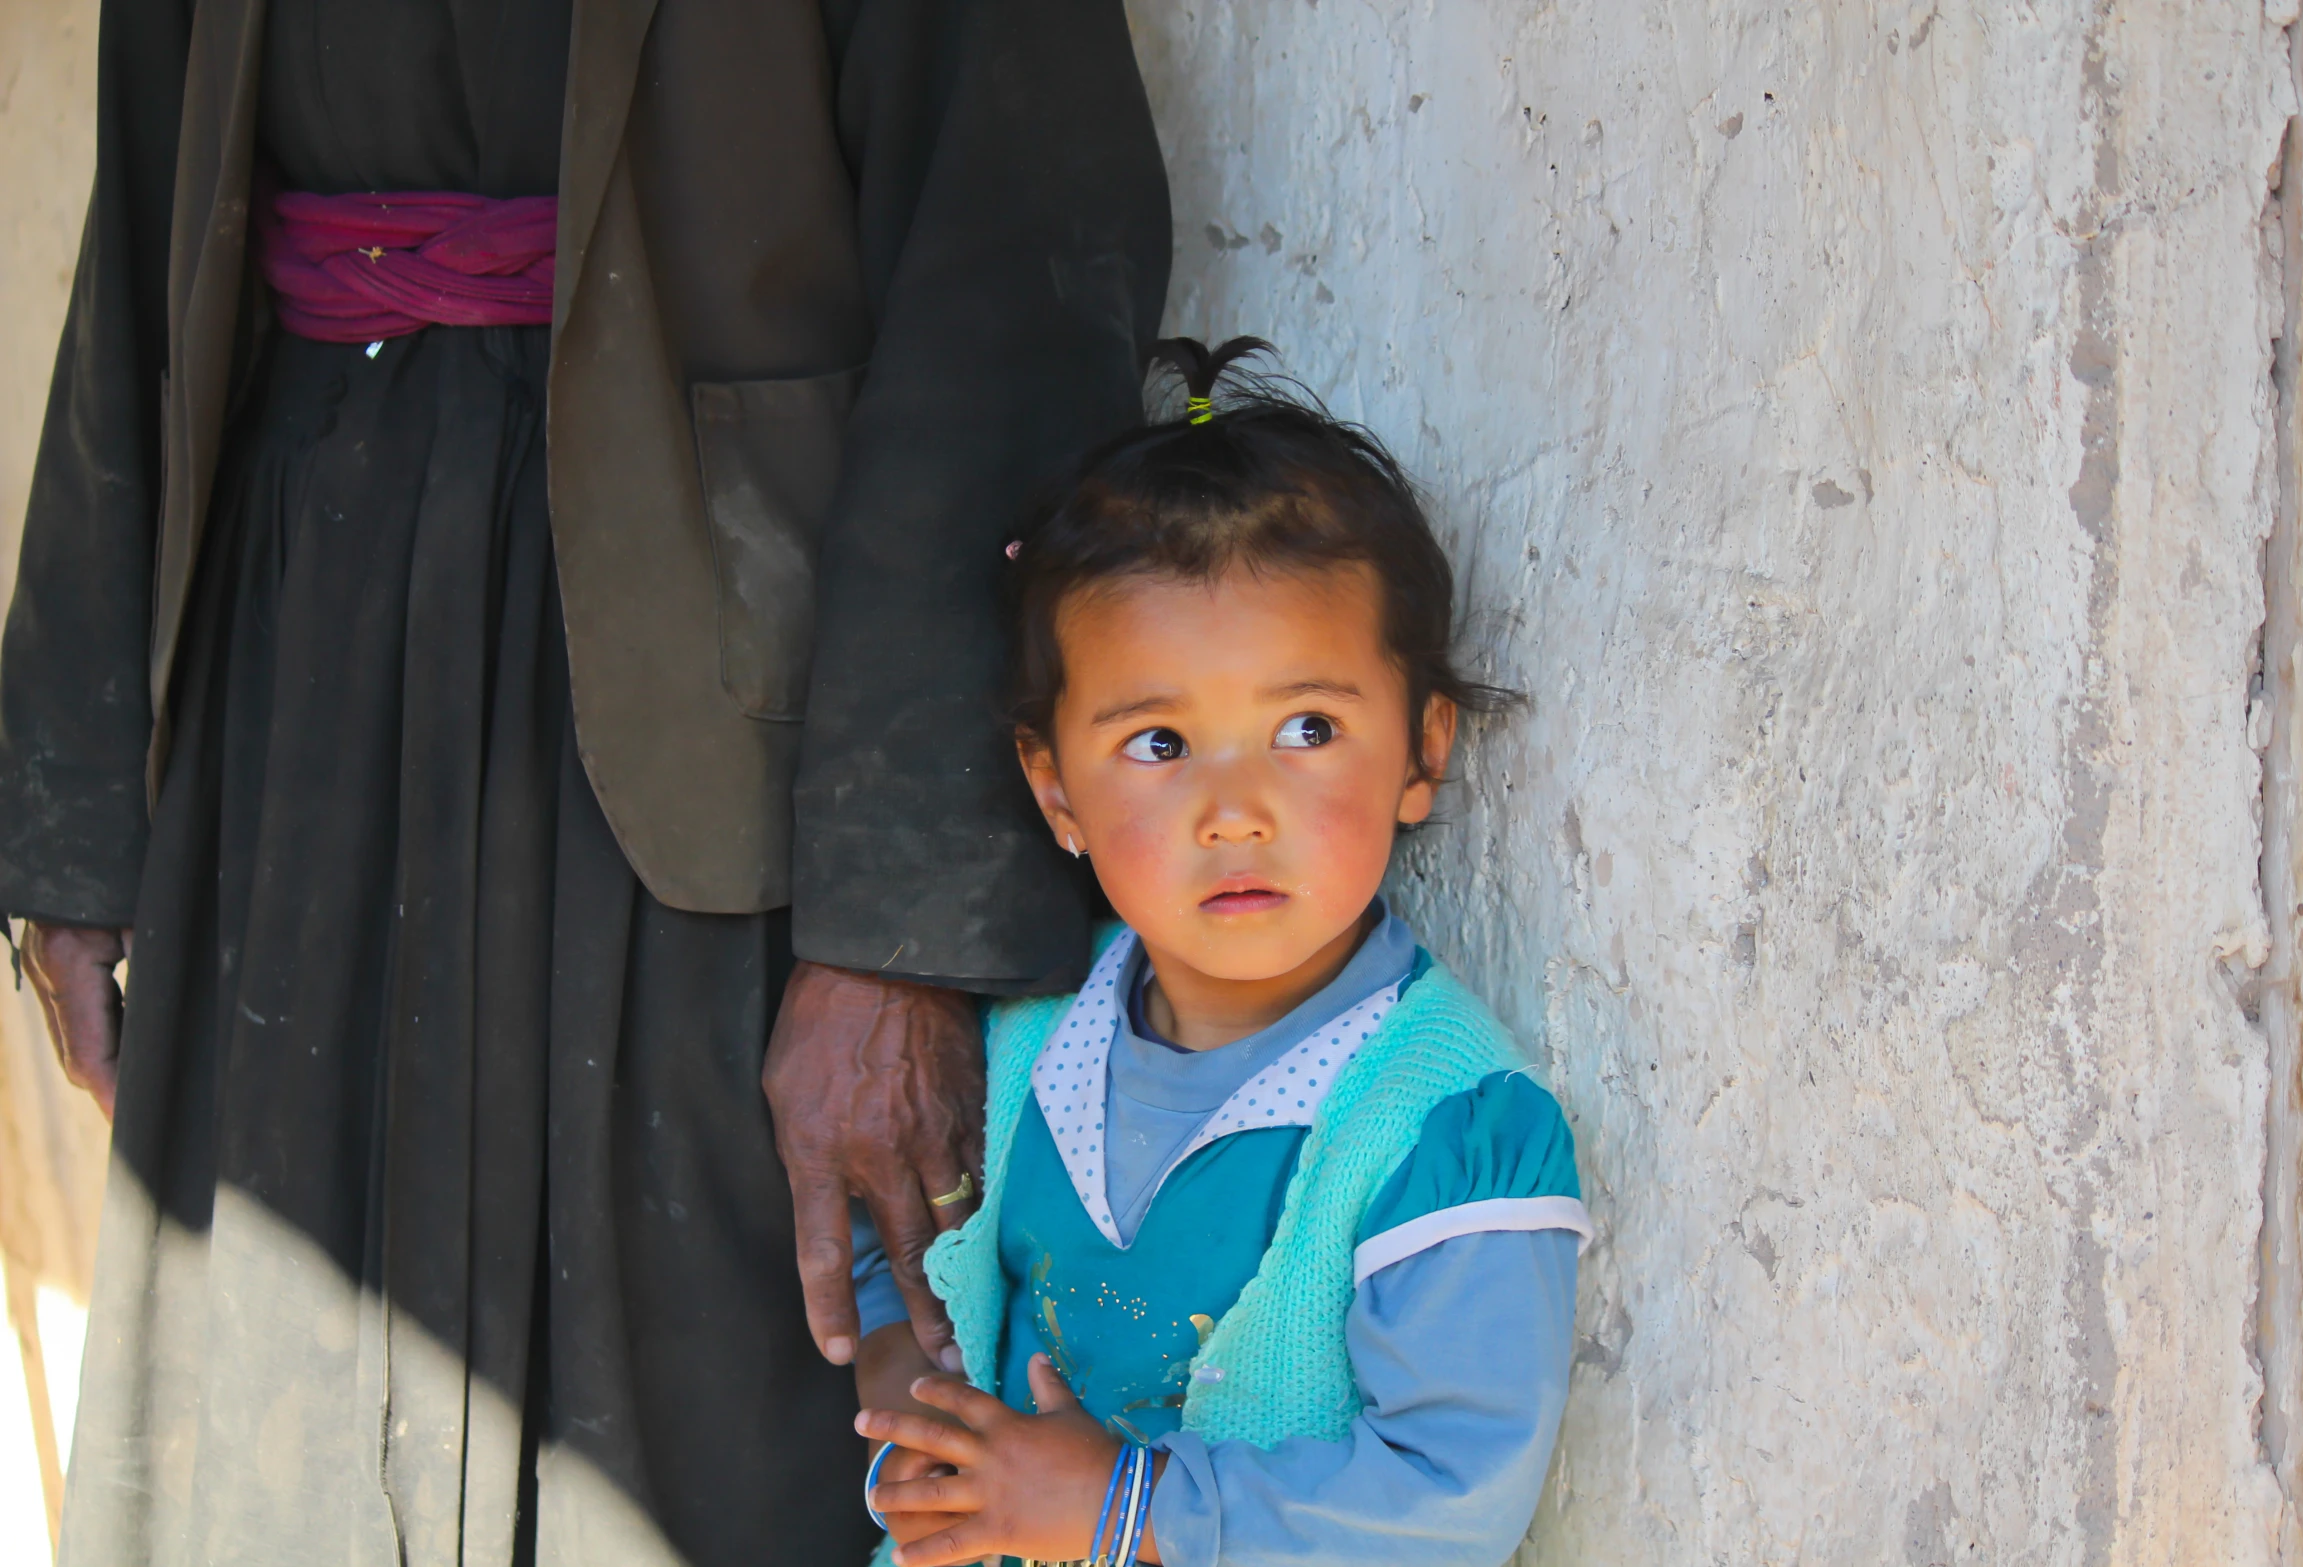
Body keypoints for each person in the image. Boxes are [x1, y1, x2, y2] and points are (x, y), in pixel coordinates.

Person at [0, 1, 1168, 1563]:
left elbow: (1010, 259)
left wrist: (896, 926)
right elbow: (144, 196)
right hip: (296, 674)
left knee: (687, 1448)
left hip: (718, 720)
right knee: (282, 1413)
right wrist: (72, 804)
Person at [853, 340, 1592, 1566]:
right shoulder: (1027, 1035)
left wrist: (1126, 1509)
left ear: (1421, 751)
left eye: (1306, 728)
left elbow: (1457, 1501)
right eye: (1157, 743)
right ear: (1055, 791)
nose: (1233, 809)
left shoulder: (1443, 1125)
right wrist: (911, 1387)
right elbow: (918, 1261)